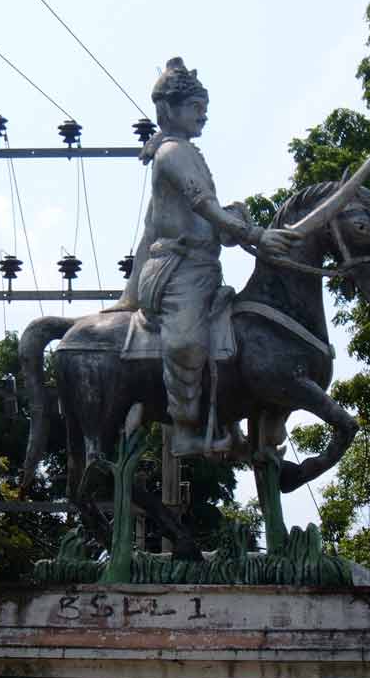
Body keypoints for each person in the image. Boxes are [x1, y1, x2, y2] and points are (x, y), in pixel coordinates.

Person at [109, 58, 295, 455]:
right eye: (196, 108)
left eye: (204, 109)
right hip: (176, 274)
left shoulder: (188, 152)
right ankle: (184, 429)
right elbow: (202, 204)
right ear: (169, 111)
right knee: (188, 341)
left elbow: (199, 217)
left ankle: (226, 415)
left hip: (203, 268)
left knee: (231, 334)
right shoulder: (171, 154)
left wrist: (233, 223)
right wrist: (254, 233)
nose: (203, 117)